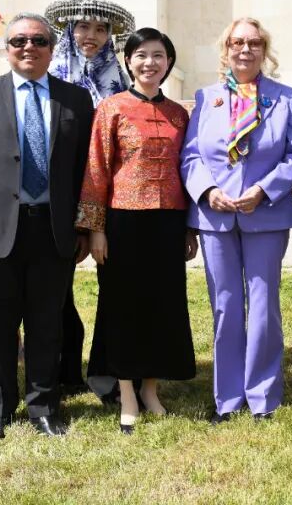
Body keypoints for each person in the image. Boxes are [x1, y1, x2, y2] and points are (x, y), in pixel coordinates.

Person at [0, 12, 94, 442]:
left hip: (54, 228)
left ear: (52, 48)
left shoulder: (75, 99)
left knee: (47, 323)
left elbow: (85, 170)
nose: (28, 47)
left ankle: (43, 407)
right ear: (6, 48)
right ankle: (0, 410)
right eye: (18, 41)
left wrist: (85, 227)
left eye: (38, 41)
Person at [181, 17, 292, 423]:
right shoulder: (207, 98)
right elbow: (191, 155)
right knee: (225, 305)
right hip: (215, 217)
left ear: (264, 50)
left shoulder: (284, 98)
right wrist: (208, 191)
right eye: (237, 42)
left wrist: (264, 190)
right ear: (226, 50)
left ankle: (262, 396)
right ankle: (228, 397)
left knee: (264, 305)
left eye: (254, 43)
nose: (245, 50)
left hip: (265, 214)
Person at [76, 27, 197, 435]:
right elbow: (96, 170)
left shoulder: (180, 114)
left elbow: (188, 169)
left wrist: (189, 228)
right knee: (123, 306)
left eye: (158, 55)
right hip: (123, 221)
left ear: (169, 62)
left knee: (163, 306)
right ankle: (126, 392)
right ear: (128, 61)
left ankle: (150, 388)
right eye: (141, 55)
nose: (150, 63)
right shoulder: (111, 108)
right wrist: (96, 229)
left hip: (169, 222)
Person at [46, 0, 135, 396]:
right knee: (55, 289)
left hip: (110, 199)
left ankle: (113, 371)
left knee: (114, 286)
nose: (91, 36)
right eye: (83, 27)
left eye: (100, 29)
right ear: (70, 30)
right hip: (59, 198)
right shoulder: (50, 79)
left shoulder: (121, 83)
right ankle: (61, 368)